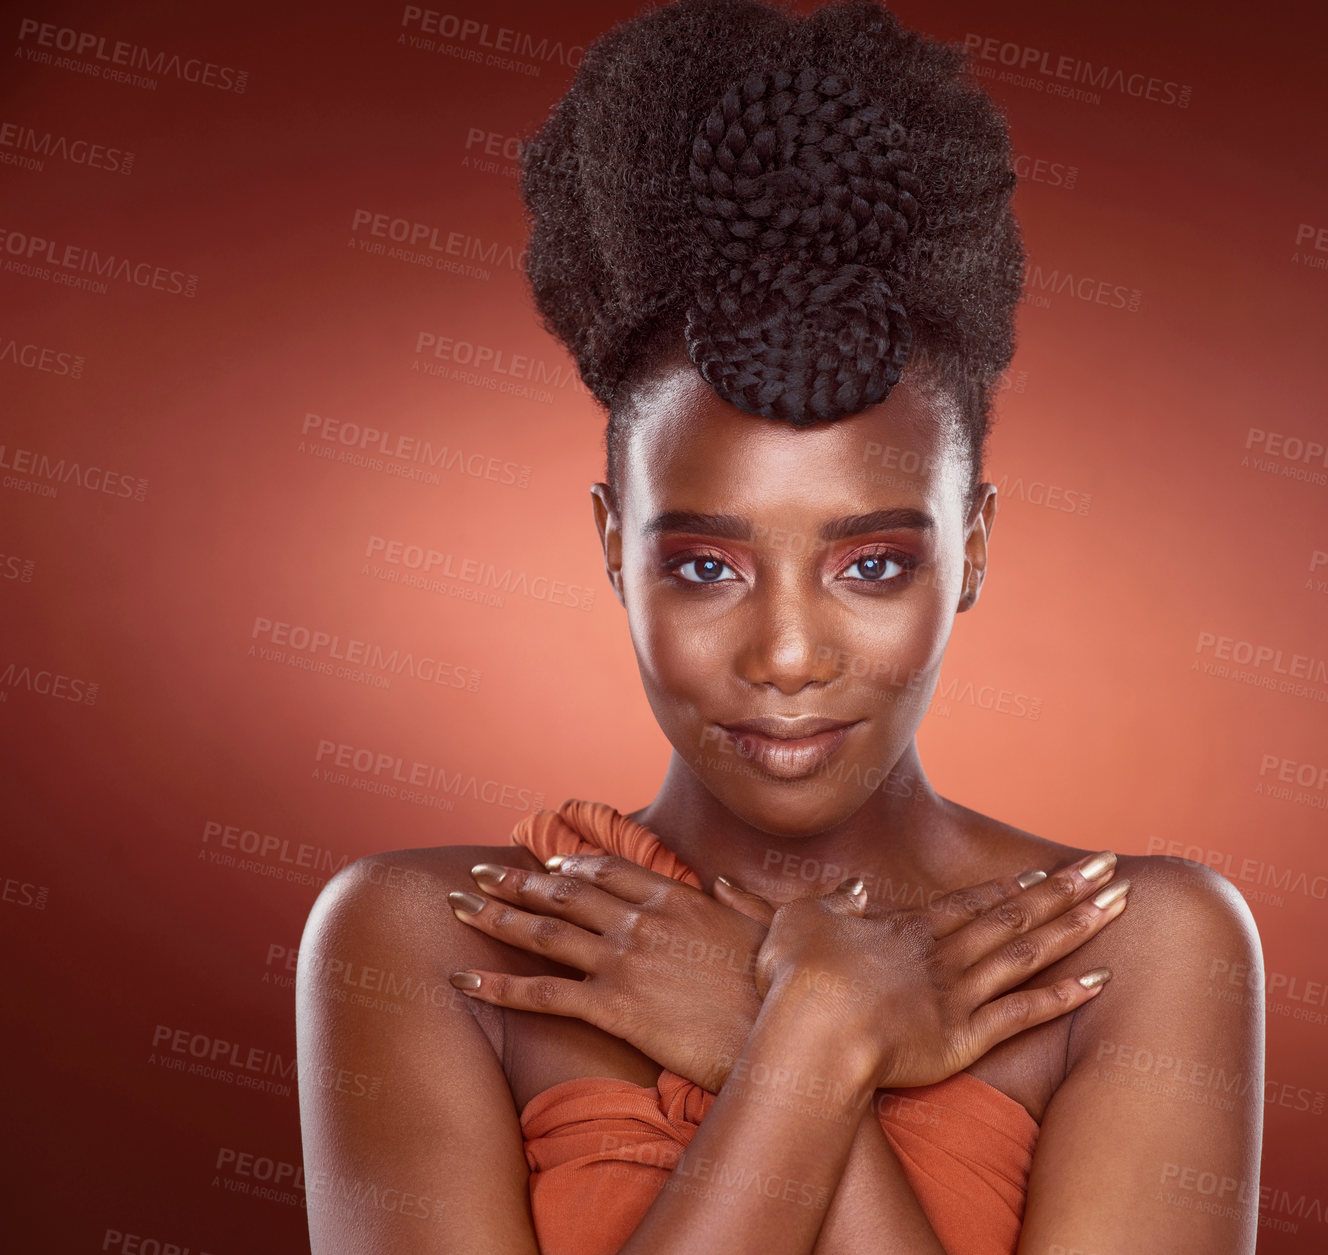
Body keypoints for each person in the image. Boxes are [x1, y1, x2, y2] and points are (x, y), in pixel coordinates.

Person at [294, 2, 1263, 1252]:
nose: (791, 656)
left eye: (870, 562)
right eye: (705, 563)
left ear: (969, 550)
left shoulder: (1136, 951)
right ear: (608, 546)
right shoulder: (432, 938)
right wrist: (820, 1027)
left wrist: (798, 1023)